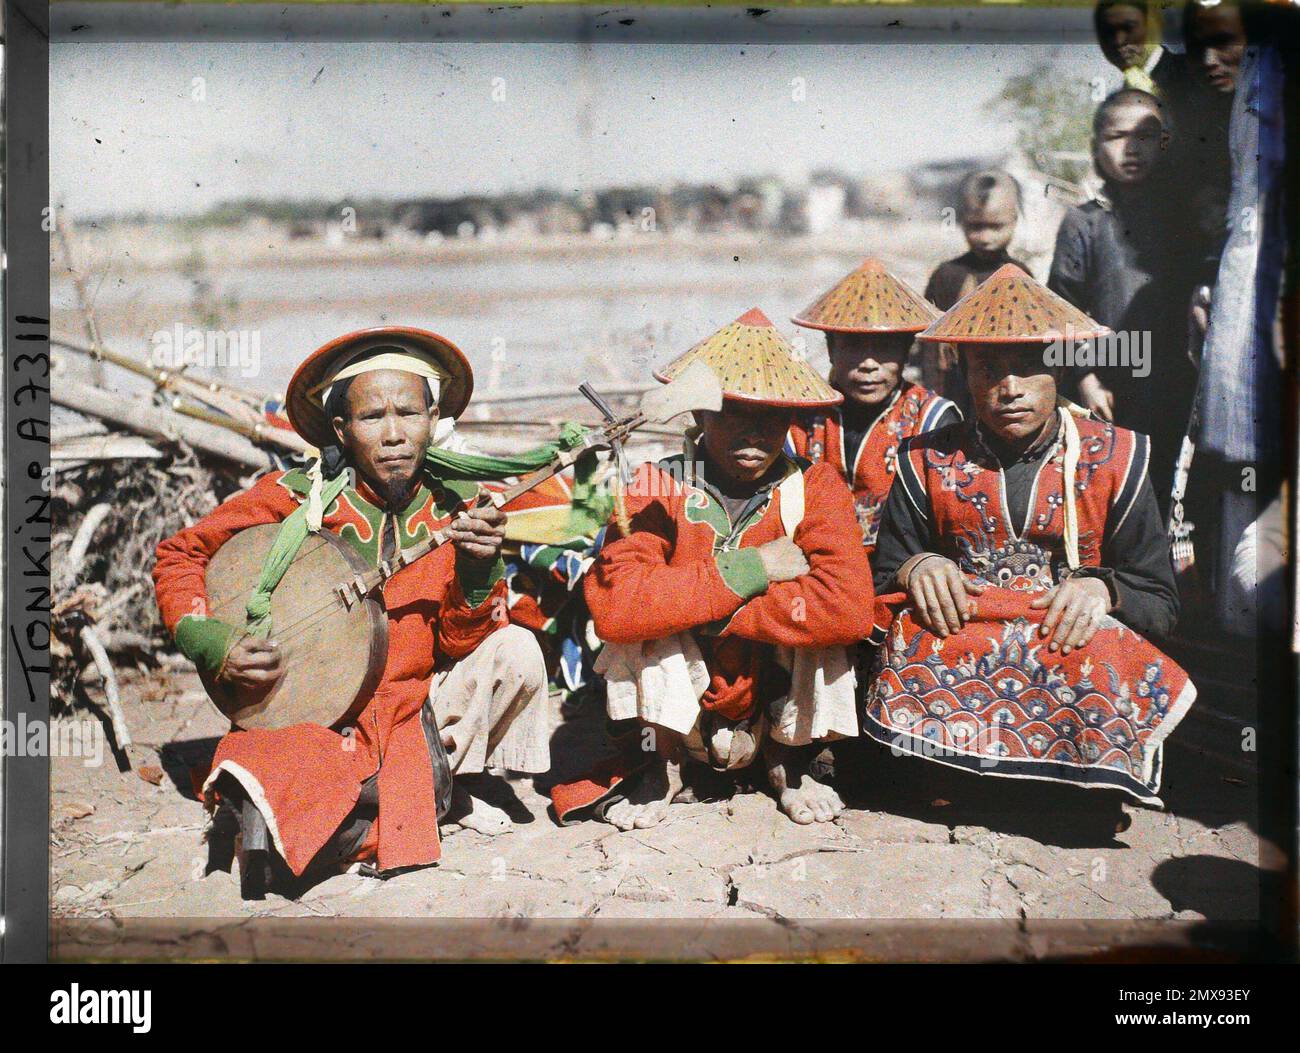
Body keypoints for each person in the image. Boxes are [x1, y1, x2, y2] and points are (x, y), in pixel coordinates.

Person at [154, 327, 551, 880]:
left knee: (518, 650)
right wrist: (212, 642)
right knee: (274, 788)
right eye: (371, 418)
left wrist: (480, 564)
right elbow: (179, 556)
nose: (393, 435)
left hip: (419, 707)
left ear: (433, 420)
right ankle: (417, 801)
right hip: (320, 709)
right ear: (341, 428)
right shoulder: (294, 497)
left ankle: (431, 788)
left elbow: (461, 643)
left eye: (409, 413)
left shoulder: (457, 509)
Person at [868, 265, 1194, 805]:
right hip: (965, 631)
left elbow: (1160, 603)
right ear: (963, 372)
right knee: (909, 633)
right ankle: (952, 777)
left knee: (1109, 650)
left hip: (1066, 641)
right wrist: (918, 567)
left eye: (1028, 369)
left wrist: (1102, 590)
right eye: (988, 370)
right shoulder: (924, 458)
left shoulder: (1118, 455)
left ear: (1060, 371)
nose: (1009, 390)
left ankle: (1073, 784)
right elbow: (883, 573)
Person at [557, 308, 875, 830]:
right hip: (683, 701)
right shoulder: (657, 485)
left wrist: (696, 605)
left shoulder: (815, 487)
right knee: (639, 632)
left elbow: (847, 609)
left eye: (771, 415)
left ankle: (788, 765)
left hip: (770, 693)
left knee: (826, 637)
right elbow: (616, 610)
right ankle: (664, 768)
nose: (754, 431)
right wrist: (756, 568)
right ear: (699, 414)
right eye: (731, 411)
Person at [1048, 88, 1199, 513]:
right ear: (1097, 146)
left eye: (1147, 137)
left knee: (1163, 486)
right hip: (1111, 381)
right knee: (1107, 489)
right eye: (1117, 137)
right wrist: (1085, 378)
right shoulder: (1084, 222)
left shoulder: (1181, 218)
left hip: (1174, 378)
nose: (1132, 149)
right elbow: (1062, 306)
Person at [786, 258, 960, 554]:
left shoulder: (933, 418)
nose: (868, 365)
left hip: (903, 571)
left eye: (883, 348)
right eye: (853, 347)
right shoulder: (800, 420)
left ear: (906, 351)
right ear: (830, 349)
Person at [923, 170, 1032, 416]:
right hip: (952, 386)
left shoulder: (1020, 275)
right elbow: (928, 344)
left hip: (1003, 386)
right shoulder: (947, 275)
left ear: (1015, 219)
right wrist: (931, 396)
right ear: (961, 220)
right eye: (976, 226)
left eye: (996, 227)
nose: (985, 237)